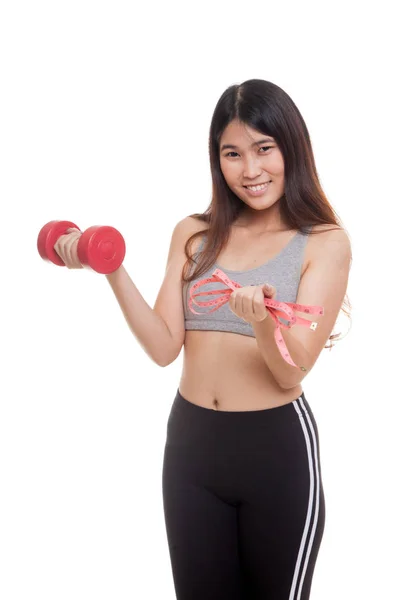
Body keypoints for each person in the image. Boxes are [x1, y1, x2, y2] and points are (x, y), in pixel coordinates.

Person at [54, 78, 352, 599]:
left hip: (275, 451)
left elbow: (290, 370)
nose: (251, 170)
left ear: (292, 147)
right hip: (192, 450)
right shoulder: (194, 232)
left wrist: (261, 321)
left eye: (264, 149)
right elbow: (165, 346)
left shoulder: (323, 242)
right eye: (232, 153)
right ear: (217, 160)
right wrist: (112, 269)